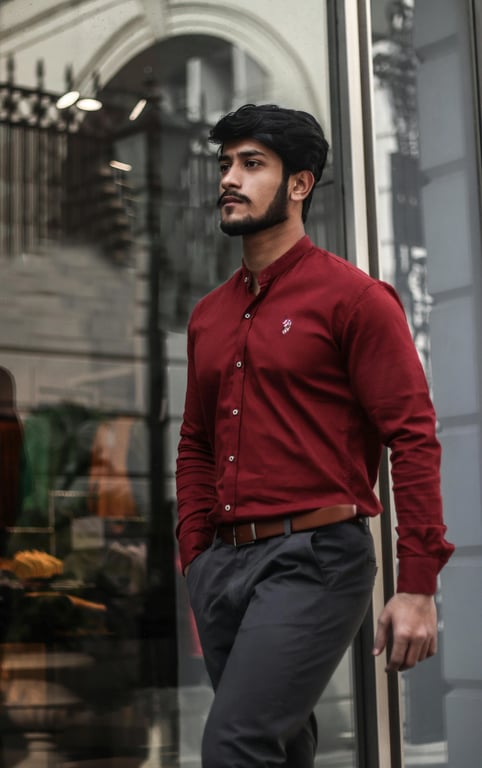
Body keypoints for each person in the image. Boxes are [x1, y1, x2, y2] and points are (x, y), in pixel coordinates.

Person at [175, 103, 454, 767]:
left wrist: (417, 585)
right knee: (279, 749)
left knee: (235, 745)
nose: (229, 179)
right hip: (223, 566)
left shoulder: (355, 299)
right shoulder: (208, 315)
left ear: (299, 184)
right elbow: (196, 443)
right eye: (225, 164)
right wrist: (196, 557)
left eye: (252, 164)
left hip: (315, 559)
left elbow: (413, 437)